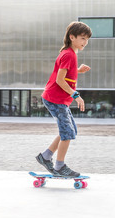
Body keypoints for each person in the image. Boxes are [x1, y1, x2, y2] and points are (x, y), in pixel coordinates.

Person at [35, 21, 92, 177]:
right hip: (55, 99)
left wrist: (77, 70)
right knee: (67, 133)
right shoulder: (68, 54)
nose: (85, 42)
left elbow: (66, 74)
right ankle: (60, 167)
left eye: (87, 39)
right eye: (82, 38)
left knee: (69, 130)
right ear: (72, 37)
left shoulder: (70, 54)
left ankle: (45, 157)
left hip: (58, 99)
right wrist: (76, 95)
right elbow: (60, 80)